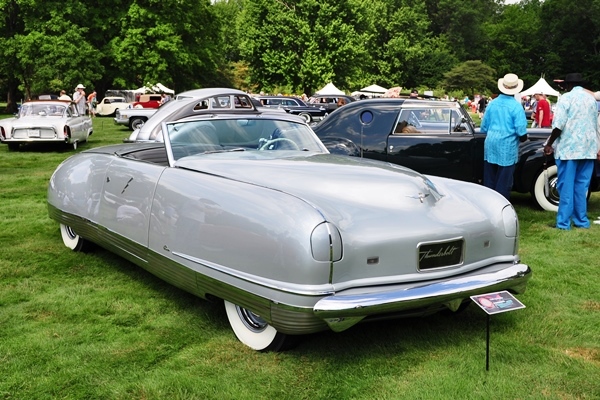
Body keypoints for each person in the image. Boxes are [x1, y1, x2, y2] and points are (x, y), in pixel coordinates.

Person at [543, 73, 600, 230]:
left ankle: (563, 223)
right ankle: (581, 221)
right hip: (588, 148)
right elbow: (595, 125)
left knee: (566, 186)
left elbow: (559, 125)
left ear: (567, 85)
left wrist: (549, 143)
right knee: (582, 187)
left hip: (569, 149)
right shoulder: (591, 100)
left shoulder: (566, 98)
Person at [479, 73, 528, 199]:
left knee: (489, 179)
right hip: (507, 147)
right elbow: (521, 132)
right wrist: (523, 138)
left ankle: (488, 205)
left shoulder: (492, 104)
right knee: (504, 181)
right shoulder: (516, 106)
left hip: (490, 144)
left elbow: (484, 127)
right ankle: (501, 206)